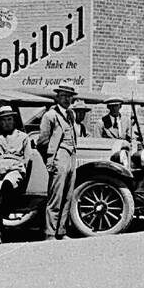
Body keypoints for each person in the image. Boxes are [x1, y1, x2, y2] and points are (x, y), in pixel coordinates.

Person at [37, 84, 79, 240]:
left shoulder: (71, 115)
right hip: (59, 155)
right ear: (57, 97)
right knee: (56, 197)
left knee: (67, 196)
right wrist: (51, 159)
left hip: (71, 155)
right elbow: (42, 141)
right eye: (64, 96)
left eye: (70, 96)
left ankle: (61, 231)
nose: (67, 99)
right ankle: (49, 232)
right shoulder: (50, 116)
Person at [0, 105, 31, 244]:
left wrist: (19, 168)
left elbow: (27, 158)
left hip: (16, 167)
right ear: (0, 122)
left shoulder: (23, 137)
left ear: (14, 120)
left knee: (7, 184)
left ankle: (4, 210)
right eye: (3, 120)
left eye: (9, 119)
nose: (7, 123)